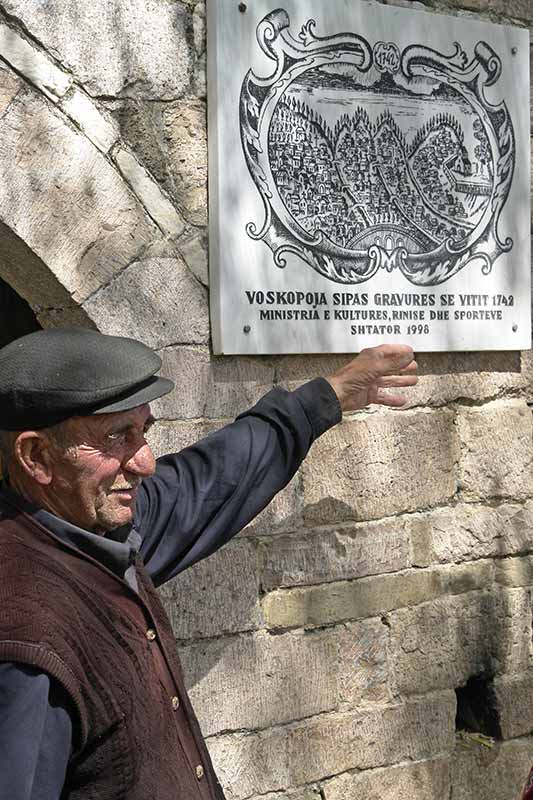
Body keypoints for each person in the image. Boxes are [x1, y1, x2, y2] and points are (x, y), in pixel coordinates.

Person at [0, 328, 417, 800]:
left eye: (144, 431)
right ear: (36, 456)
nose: (145, 462)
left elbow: (205, 483)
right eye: (116, 436)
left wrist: (325, 399)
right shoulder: (27, 642)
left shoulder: (93, 527)